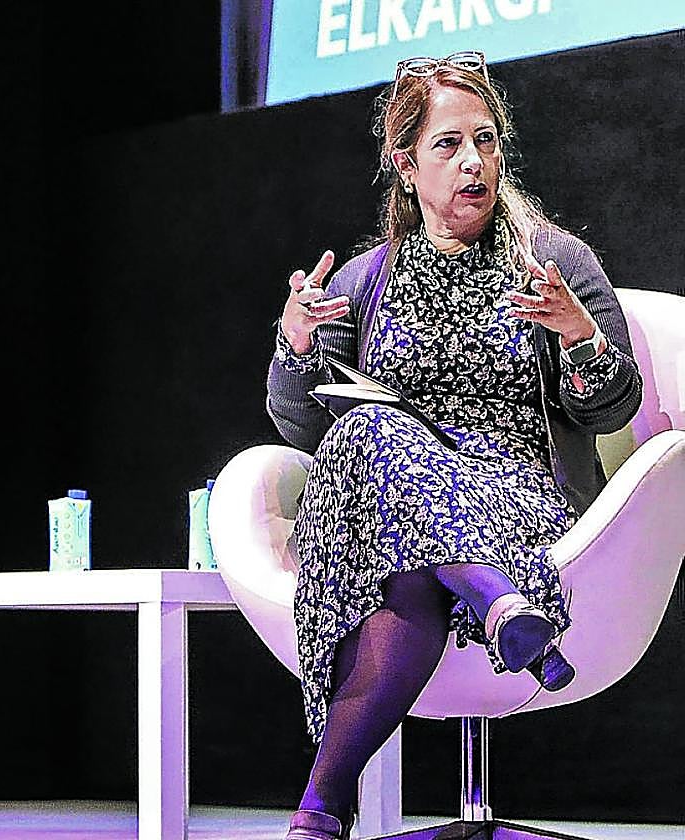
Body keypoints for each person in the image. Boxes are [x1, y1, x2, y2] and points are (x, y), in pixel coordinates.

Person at [267, 51, 641, 840]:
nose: (475, 162)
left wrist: (578, 335)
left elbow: (614, 411)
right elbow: (304, 430)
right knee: (374, 443)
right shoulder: (368, 281)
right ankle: (494, 597)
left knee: (400, 542)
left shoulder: (554, 261)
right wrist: (297, 347)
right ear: (405, 165)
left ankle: (319, 810)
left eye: (488, 139)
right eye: (448, 144)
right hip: (397, 511)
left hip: (520, 496)